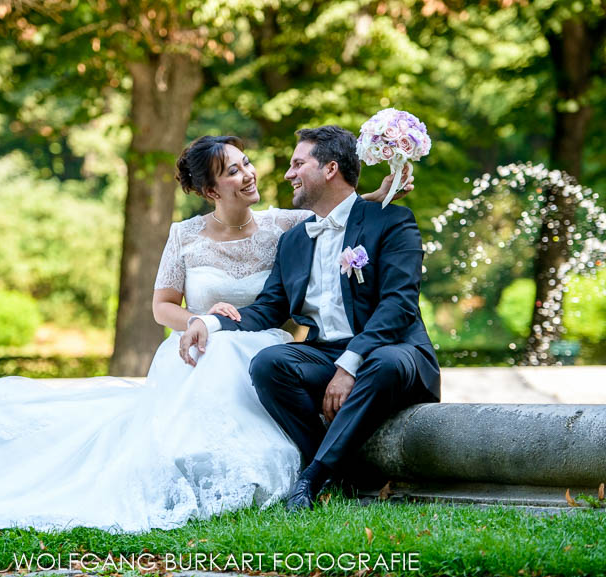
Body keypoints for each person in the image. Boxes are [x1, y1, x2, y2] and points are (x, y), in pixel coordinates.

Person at [0, 135, 410, 534]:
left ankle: (310, 474)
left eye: (248, 164)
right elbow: (162, 304)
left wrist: (388, 186)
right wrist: (200, 323)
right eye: (234, 169)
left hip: (266, 344)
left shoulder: (286, 225)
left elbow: (342, 216)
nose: (252, 173)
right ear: (211, 190)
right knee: (197, 392)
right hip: (207, 345)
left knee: (264, 365)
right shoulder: (186, 236)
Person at [181, 126, 440, 511]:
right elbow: (270, 308)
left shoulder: (393, 222)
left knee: (382, 363)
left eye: (298, 164)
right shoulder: (295, 239)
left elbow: (398, 306)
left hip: (394, 351)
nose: (288, 174)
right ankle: (342, 471)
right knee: (270, 364)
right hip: (326, 353)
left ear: (330, 169)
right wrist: (208, 322)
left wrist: (349, 365)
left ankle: (312, 478)